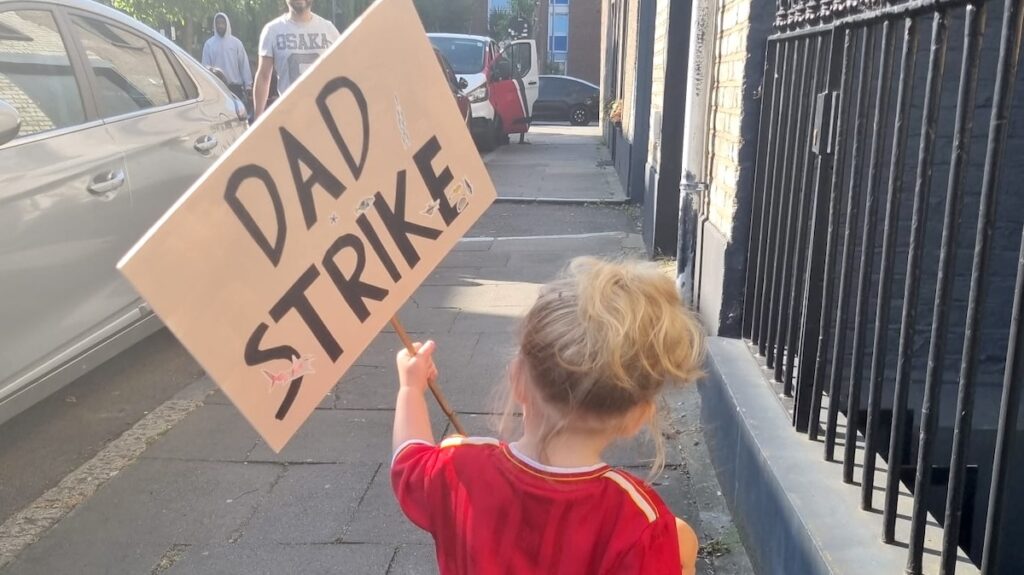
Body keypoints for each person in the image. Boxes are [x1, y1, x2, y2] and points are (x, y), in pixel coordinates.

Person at [391, 257, 705, 574]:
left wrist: (410, 389)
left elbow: (408, 457)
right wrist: (677, 545)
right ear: (637, 417)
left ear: (517, 380)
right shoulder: (638, 521)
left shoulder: (456, 467)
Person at [253, 0, 339, 119]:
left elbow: (342, 70)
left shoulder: (329, 29)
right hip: (290, 116)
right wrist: (258, 118)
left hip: (326, 114)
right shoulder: (272, 31)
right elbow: (263, 76)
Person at [201, 13, 252, 110]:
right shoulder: (209, 44)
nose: (220, 25)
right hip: (217, 88)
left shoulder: (236, 43)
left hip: (235, 89)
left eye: (222, 23)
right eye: (218, 23)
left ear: (227, 24)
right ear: (214, 25)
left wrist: (248, 86)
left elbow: (243, 65)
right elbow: (205, 67)